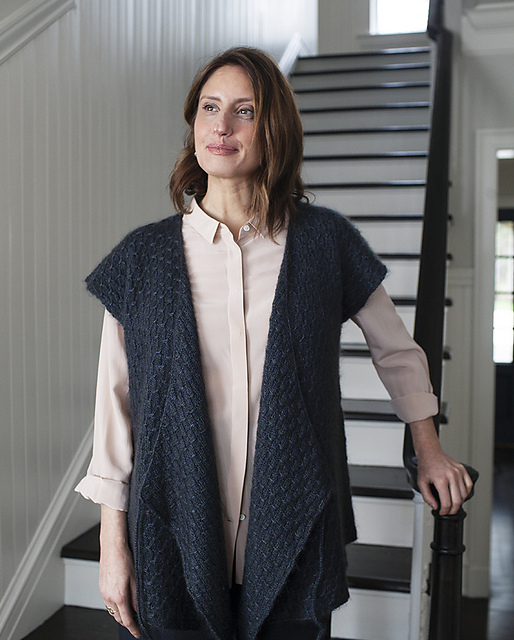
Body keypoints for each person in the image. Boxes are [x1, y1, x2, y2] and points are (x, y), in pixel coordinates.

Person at [75, 47, 473, 640]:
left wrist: (429, 447)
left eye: (245, 111)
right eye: (209, 108)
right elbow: (116, 404)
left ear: (274, 129)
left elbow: (396, 351)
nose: (221, 126)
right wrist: (113, 543)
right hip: (171, 532)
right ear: (193, 124)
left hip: (295, 523)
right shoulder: (142, 258)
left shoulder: (325, 243)